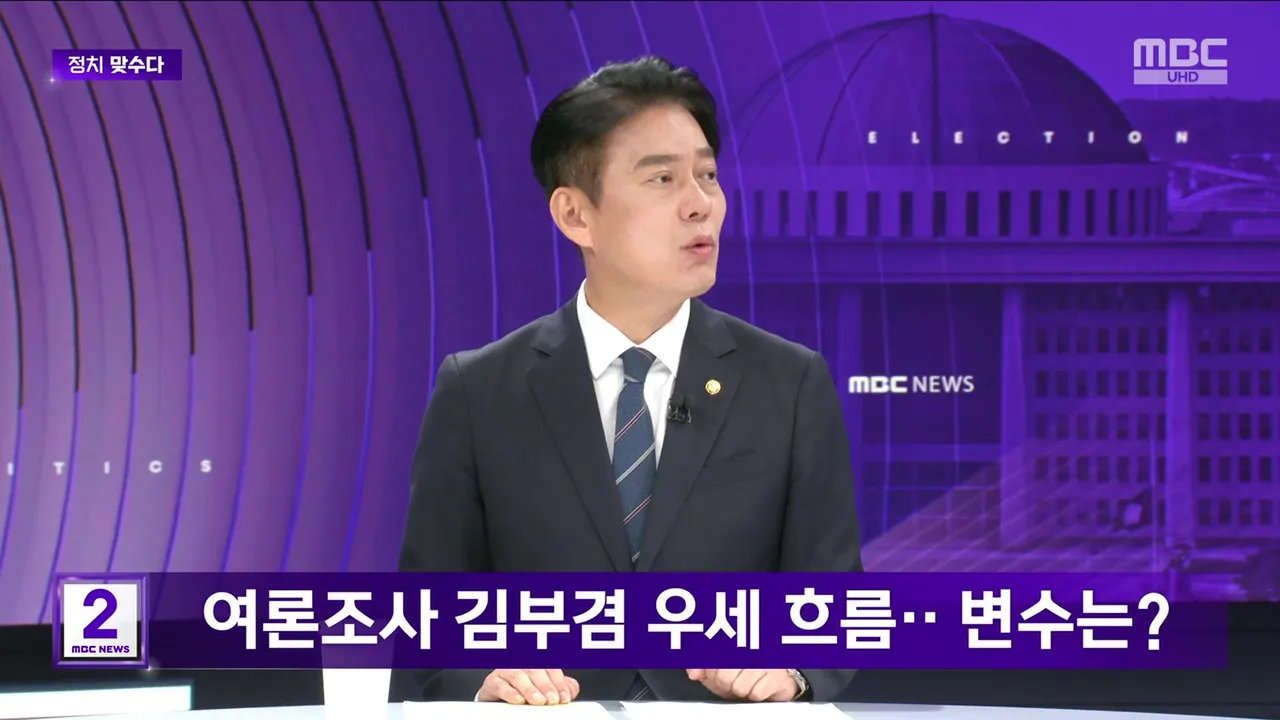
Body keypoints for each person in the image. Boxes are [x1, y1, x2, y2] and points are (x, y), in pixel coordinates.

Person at [398, 55, 862, 705]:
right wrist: (483, 684)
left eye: (707, 175)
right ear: (575, 215)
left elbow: (835, 605)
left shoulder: (789, 383)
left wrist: (791, 671)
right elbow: (425, 625)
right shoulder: (479, 393)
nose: (701, 205)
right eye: (663, 179)